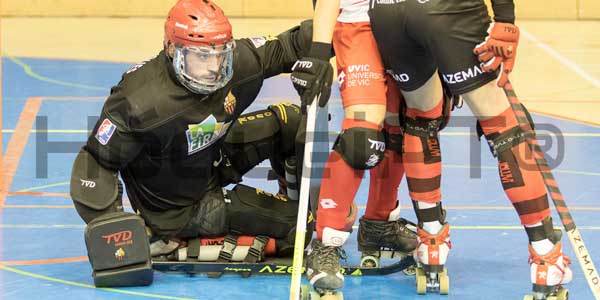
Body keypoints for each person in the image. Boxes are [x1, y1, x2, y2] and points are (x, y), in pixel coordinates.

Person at [69, 0, 318, 287]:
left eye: (220, 55)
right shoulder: (139, 101)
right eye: (201, 57)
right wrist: (120, 232)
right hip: (179, 209)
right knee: (304, 227)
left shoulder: (237, 65)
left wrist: (348, 29)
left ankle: (295, 200)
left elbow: (290, 45)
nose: (214, 68)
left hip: (210, 157)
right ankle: (171, 240)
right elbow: (95, 162)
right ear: (172, 50)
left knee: (291, 121)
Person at [367, 0, 572, 295]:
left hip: (387, 11)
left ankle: (432, 241)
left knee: (420, 116)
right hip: (444, 8)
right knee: (502, 124)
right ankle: (545, 258)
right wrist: (505, 17)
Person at [290, 0, 422, 295]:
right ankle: (325, 244)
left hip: (412, 27)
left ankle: (379, 225)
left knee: (402, 127)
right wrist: (319, 54)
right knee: (361, 136)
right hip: (359, 26)